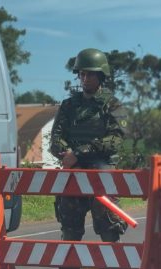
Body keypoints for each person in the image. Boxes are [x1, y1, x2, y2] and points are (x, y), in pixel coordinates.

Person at [50, 48, 128, 254]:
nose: (85, 78)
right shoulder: (68, 105)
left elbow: (116, 139)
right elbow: (56, 139)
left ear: (101, 75)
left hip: (102, 172)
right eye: (82, 73)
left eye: (90, 74)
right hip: (73, 172)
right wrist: (67, 154)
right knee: (70, 233)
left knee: (109, 231)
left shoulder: (113, 105)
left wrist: (80, 152)